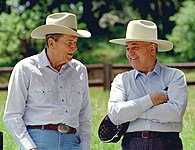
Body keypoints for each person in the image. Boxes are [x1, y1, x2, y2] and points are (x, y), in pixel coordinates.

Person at [3, 12, 92, 150]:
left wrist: (85, 147)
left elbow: (85, 116)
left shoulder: (80, 70)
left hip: (73, 143)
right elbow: (12, 115)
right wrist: (29, 147)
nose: (74, 47)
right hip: (38, 143)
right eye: (69, 42)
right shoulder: (25, 69)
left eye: (75, 42)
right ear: (51, 43)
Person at [108, 20, 188, 150]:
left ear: (152, 49)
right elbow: (115, 115)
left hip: (168, 144)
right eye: (127, 49)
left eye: (135, 47)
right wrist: (152, 99)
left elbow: (175, 113)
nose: (130, 53)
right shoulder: (121, 80)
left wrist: (132, 111)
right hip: (132, 144)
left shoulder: (175, 76)